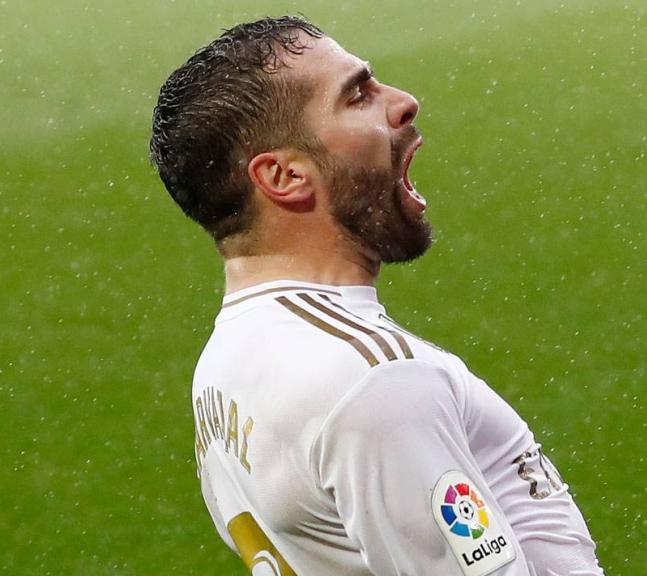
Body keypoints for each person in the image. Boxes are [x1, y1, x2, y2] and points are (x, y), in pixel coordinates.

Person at [149, 15, 604, 576]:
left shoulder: (226, 363)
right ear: (284, 176)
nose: (404, 102)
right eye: (357, 96)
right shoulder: (372, 380)